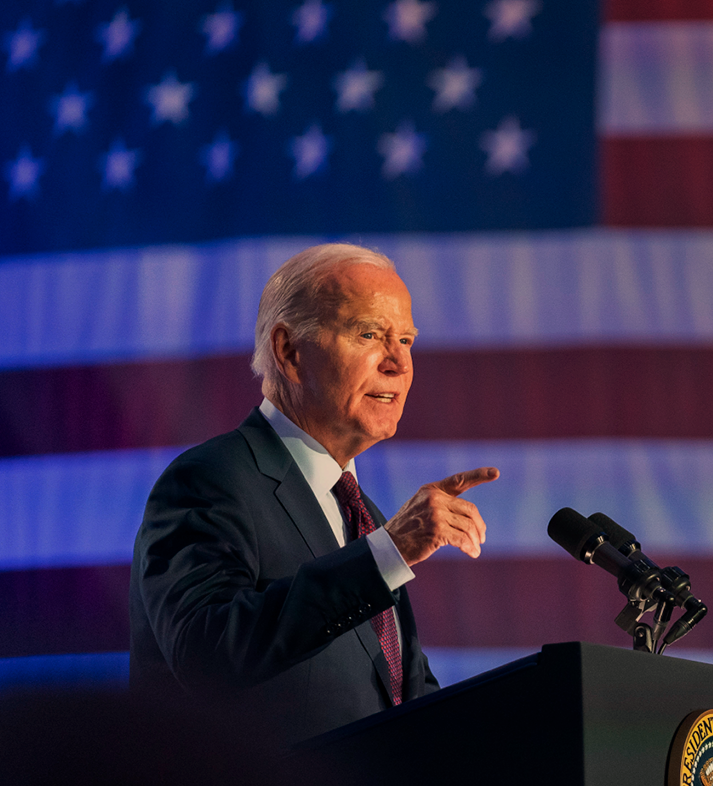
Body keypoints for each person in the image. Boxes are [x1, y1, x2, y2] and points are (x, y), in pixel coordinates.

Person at [129, 243, 498, 744]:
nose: (398, 363)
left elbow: (401, 696)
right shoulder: (210, 480)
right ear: (290, 352)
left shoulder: (362, 514)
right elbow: (206, 654)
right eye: (369, 334)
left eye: (406, 340)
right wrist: (385, 555)